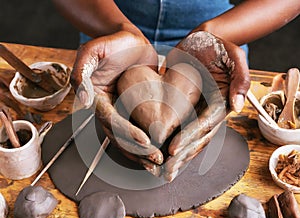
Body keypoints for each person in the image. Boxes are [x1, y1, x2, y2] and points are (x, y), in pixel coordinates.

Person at [52, 0, 300, 181]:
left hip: (221, 41)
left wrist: (213, 35)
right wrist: (118, 29)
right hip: (107, 32)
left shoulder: (215, 43)